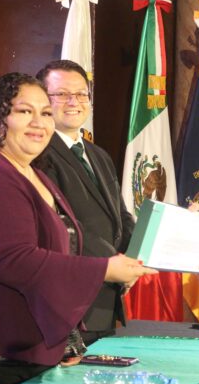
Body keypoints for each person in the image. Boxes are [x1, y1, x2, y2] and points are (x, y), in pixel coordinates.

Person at [0, 73, 148, 384]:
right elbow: (13, 260)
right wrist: (102, 270)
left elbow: (56, 252)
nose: (38, 123)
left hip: (32, 349)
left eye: (45, 113)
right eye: (24, 111)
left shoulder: (34, 172)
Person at [35, 60, 137, 345]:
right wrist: (110, 264)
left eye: (81, 94)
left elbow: (121, 217)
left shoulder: (98, 154)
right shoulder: (38, 153)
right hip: (70, 299)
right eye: (62, 94)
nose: (74, 102)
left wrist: (130, 258)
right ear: (42, 100)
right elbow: (60, 223)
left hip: (106, 298)